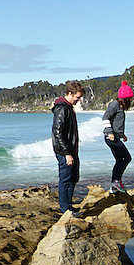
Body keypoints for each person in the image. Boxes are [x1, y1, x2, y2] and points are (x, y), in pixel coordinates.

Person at [52, 80, 85, 214]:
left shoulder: (68, 108)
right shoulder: (62, 109)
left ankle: (69, 206)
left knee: (74, 177)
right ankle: (65, 209)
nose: (79, 100)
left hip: (71, 150)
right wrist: (67, 153)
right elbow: (57, 132)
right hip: (64, 151)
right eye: (77, 97)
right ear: (70, 93)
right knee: (65, 180)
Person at [102, 81, 134, 193]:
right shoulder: (114, 105)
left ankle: (114, 185)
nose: (131, 101)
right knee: (127, 158)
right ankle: (116, 182)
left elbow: (116, 122)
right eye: (129, 99)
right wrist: (110, 132)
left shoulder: (119, 106)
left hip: (115, 137)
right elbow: (105, 118)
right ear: (125, 98)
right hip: (110, 138)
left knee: (120, 160)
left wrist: (122, 135)